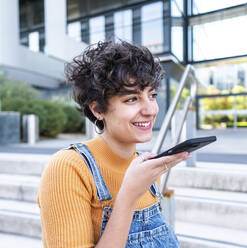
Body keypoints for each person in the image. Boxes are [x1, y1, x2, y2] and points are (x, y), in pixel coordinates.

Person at [37, 40, 191, 248]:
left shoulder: (142, 165)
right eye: (131, 99)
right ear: (97, 110)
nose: (150, 110)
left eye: (151, 95)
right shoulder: (68, 168)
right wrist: (128, 196)